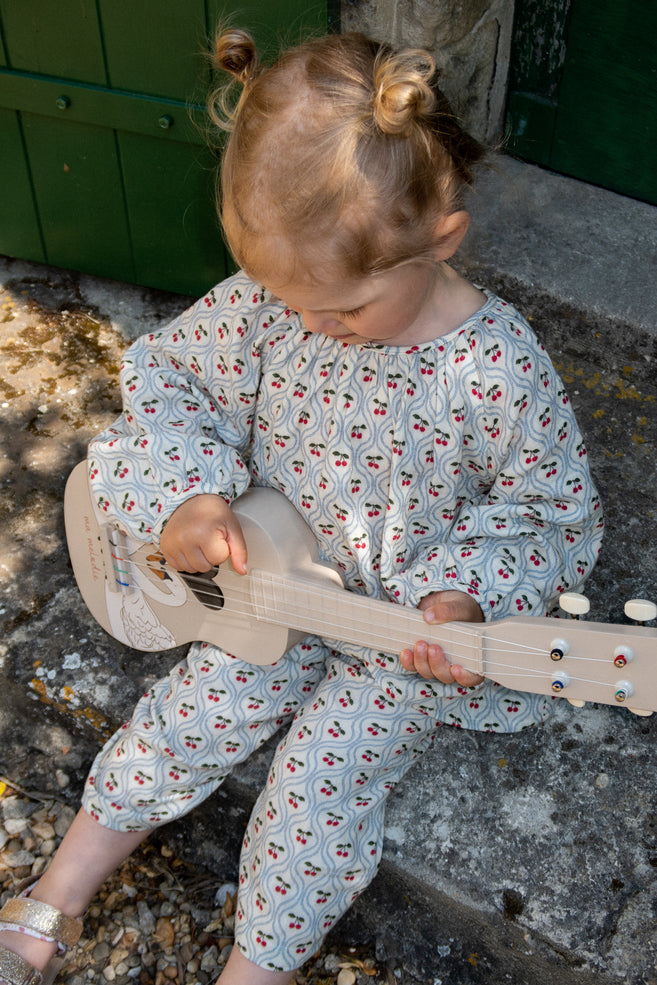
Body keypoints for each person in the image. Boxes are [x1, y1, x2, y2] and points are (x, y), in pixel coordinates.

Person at [0, 28, 603, 985]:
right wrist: (188, 497)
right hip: (268, 586)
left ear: (440, 240)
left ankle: (256, 967)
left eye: (343, 309)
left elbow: (552, 515)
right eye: (288, 297)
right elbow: (170, 378)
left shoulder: (493, 371)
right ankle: (63, 887)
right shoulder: (269, 305)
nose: (310, 324)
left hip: (400, 630)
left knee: (317, 783)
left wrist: (460, 595)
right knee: (187, 713)